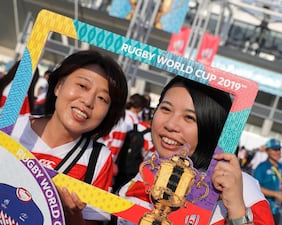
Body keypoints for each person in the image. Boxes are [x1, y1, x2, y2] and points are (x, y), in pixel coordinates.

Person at [0, 50, 128, 225]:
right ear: (58, 86)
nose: (88, 101)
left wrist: (72, 215)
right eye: (82, 86)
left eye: (102, 98)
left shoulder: (99, 159)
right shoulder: (8, 129)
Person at [117, 76, 273, 225]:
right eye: (165, 109)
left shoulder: (242, 189)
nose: (171, 125)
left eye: (189, 118)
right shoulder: (145, 173)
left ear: (211, 128)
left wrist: (237, 211)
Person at [253, 138, 282, 225]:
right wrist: (275, 194)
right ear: (267, 151)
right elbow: (255, 188)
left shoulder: (281, 167)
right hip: (263, 209)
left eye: (279, 149)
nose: (277, 152)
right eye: (274, 149)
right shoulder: (261, 167)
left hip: (276, 210)